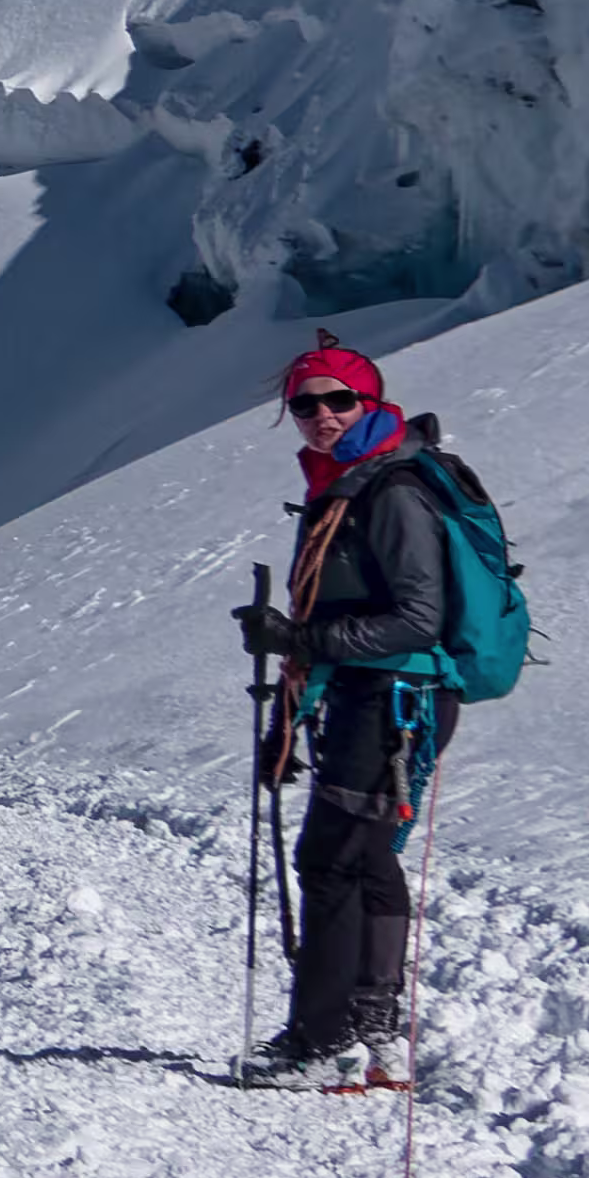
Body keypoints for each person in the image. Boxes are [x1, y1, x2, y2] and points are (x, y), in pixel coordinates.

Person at [230, 341, 454, 1088]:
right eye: (305, 404)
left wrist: (299, 638)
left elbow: (418, 617)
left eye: (338, 402)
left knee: (329, 861)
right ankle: (373, 1029)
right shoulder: (346, 483)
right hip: (377, 698)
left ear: (370, 402)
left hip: (396, 700)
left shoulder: (388, 490)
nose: (321, 417)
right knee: (365, 859)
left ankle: (320, 1044)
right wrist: (288, 720)